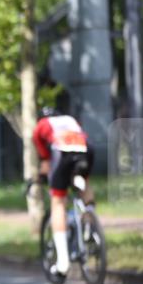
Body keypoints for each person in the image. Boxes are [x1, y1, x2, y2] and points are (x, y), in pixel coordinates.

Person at [32, 106, 95, 275]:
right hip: (86, 151)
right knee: (84, 183)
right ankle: (90, 226)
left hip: (63, 153)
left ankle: (63, 262)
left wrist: (41, 176)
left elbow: (45, 160)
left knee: (58, 202)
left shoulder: (40, 126)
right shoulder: (69, 120)